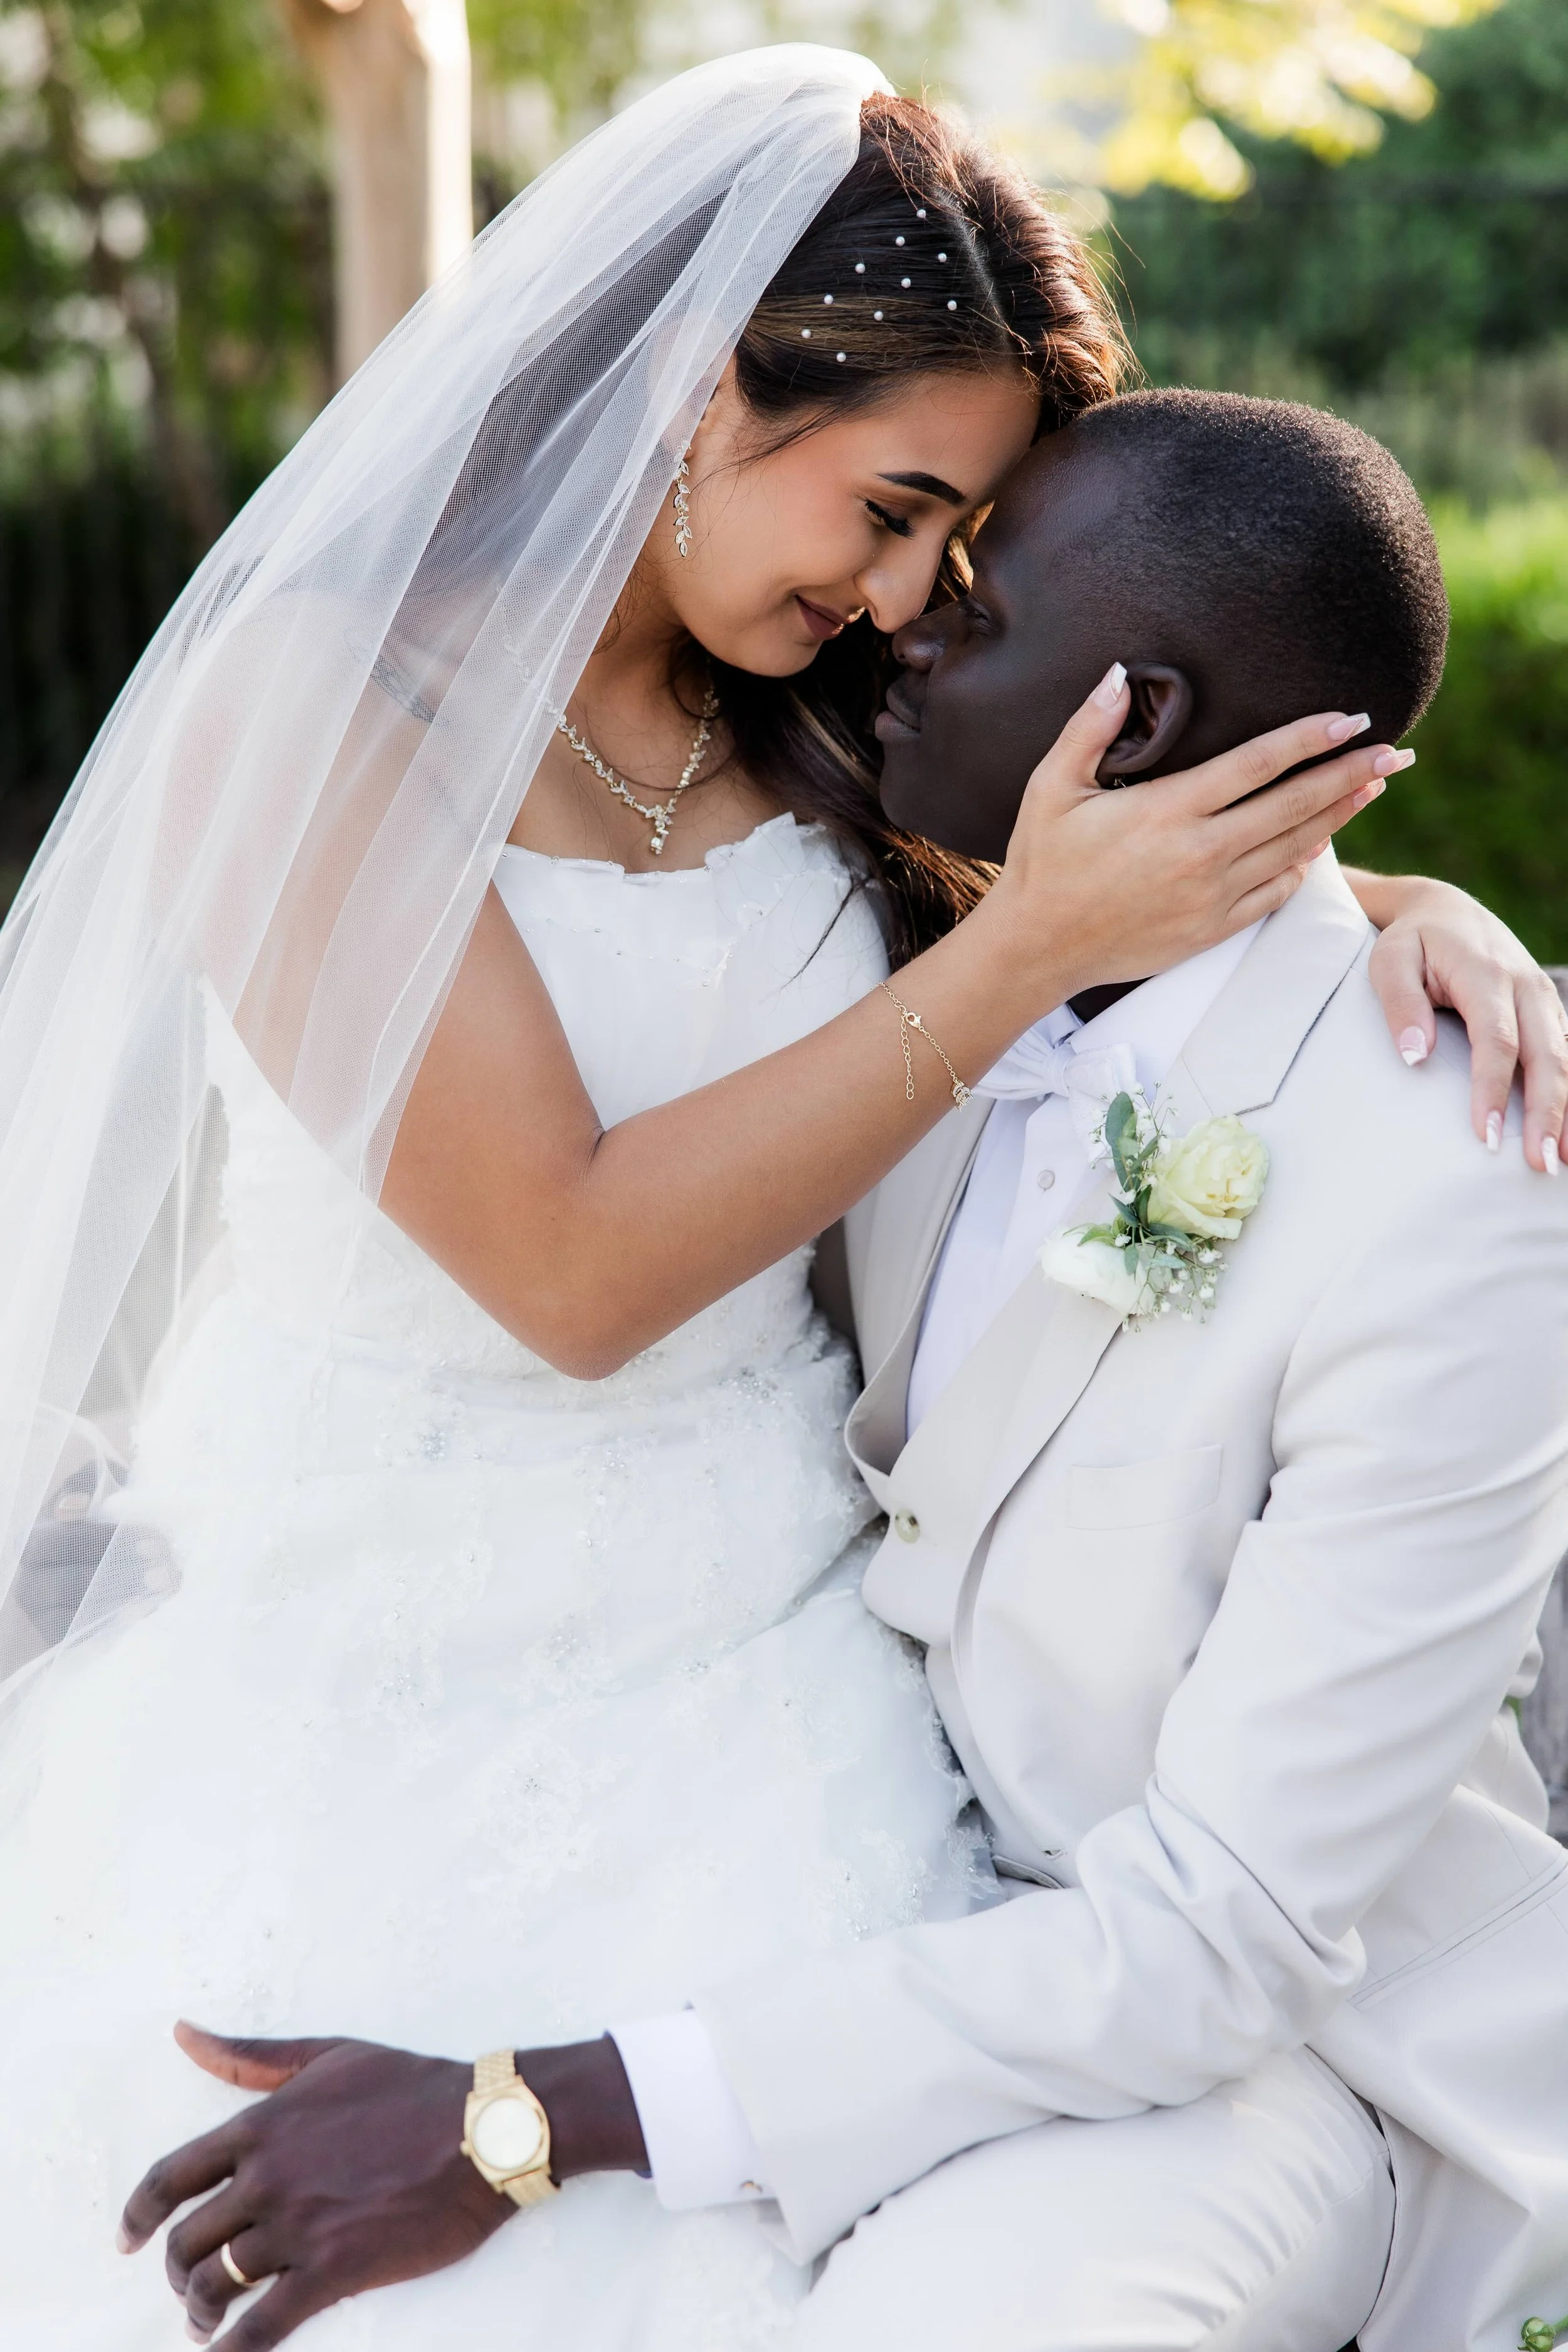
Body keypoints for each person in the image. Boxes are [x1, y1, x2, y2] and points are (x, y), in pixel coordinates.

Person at [0, 50, 1560, 2352]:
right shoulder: (319, 717)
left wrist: (1403, 909)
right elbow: (572, 1261)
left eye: (959, 551)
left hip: (781, 1696)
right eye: (899, 505)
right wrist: (1028, 940)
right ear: (703, 384)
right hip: (354, 1669)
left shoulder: (806, 734)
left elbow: (1123, 944)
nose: (906, 595)